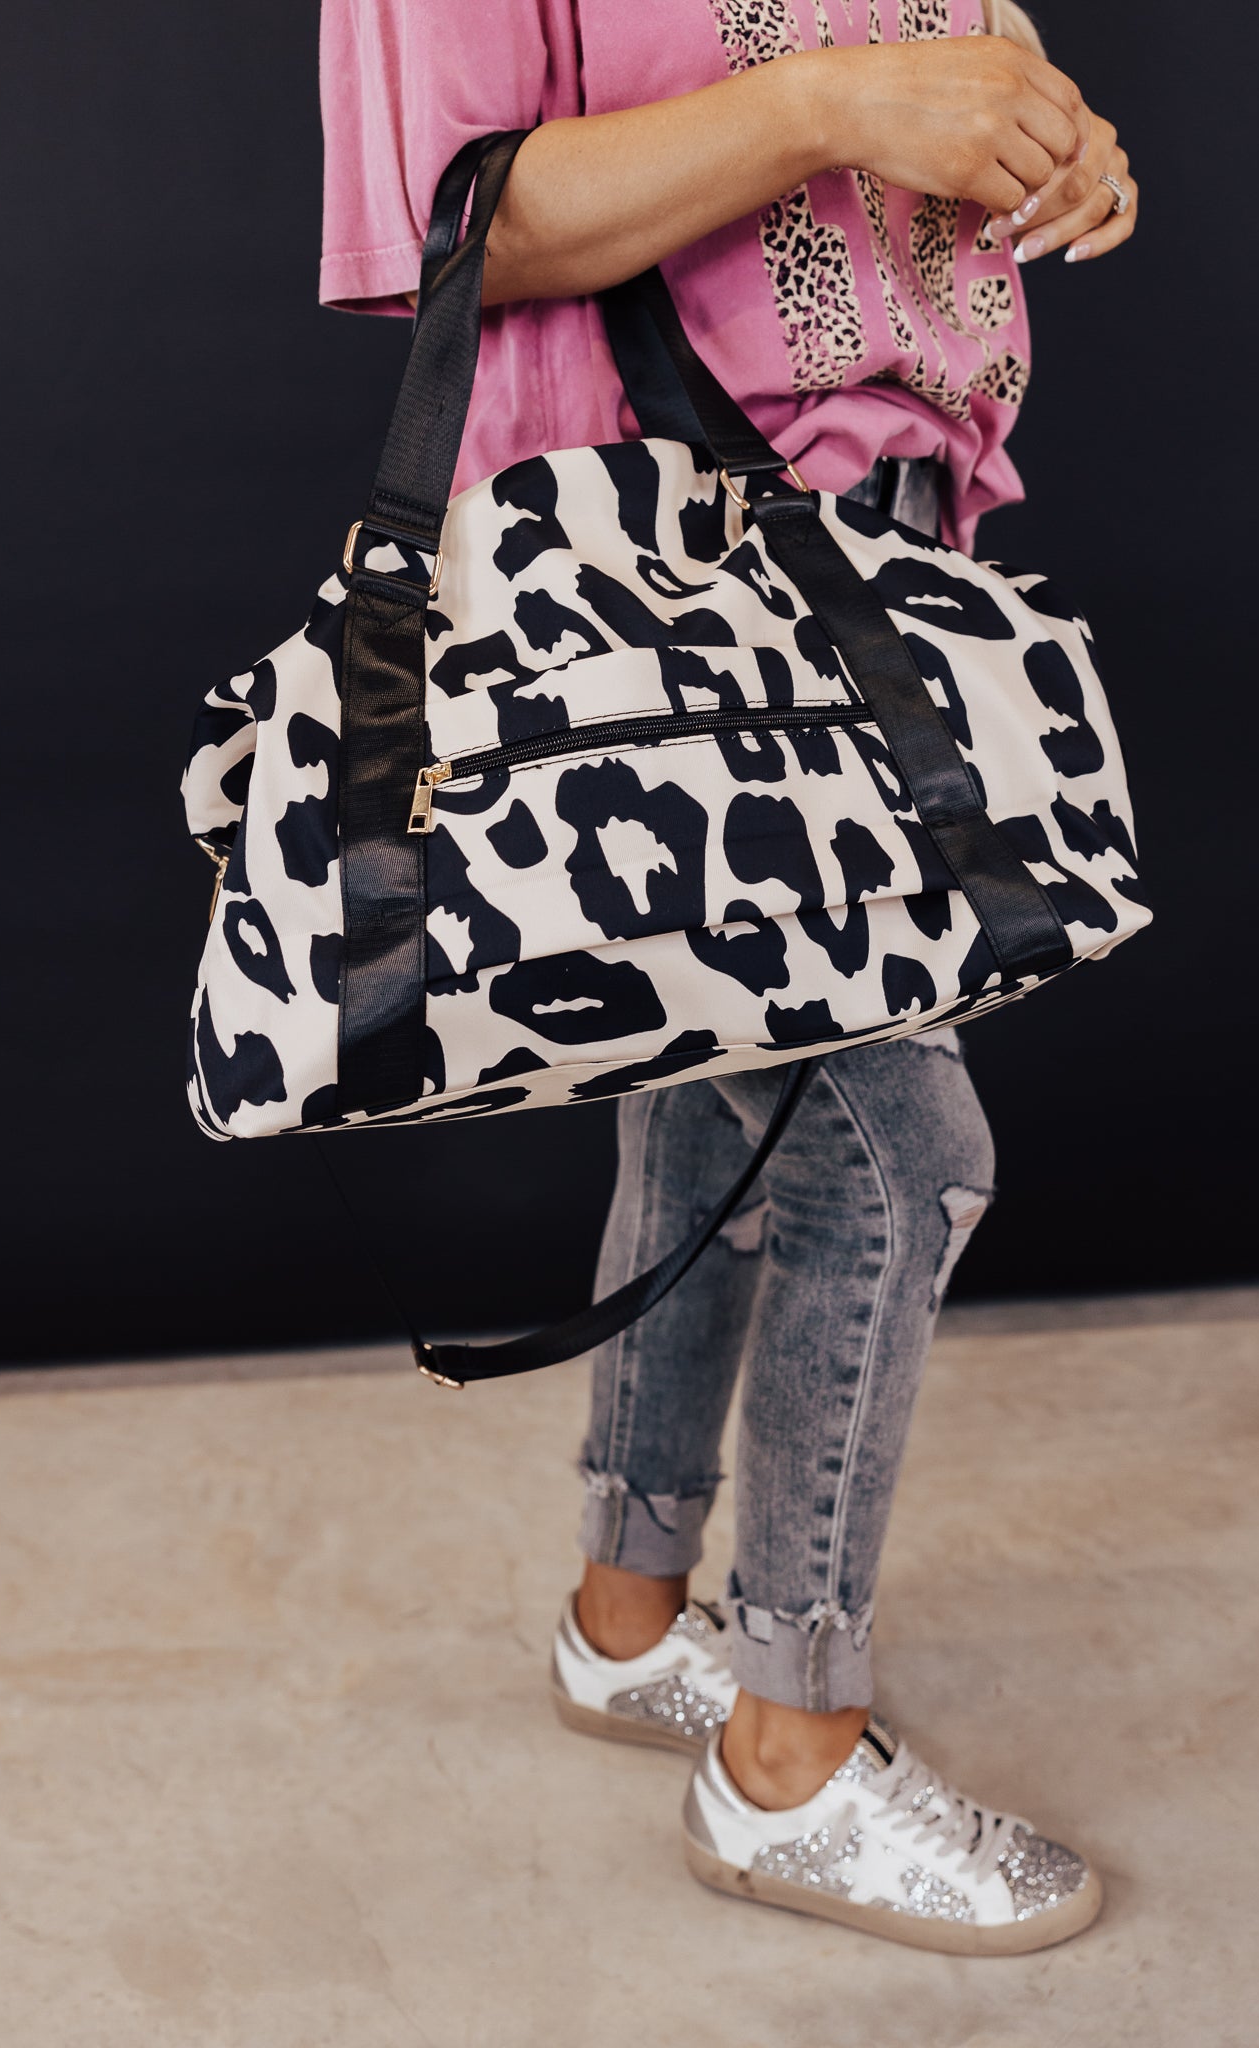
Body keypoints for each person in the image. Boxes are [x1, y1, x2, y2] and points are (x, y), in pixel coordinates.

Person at [321, 0, 1137, 1954]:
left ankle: (627, 1623)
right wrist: (841, 101)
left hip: (872, 546)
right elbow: (453, 214)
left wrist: (1045, 138)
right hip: (659, 574)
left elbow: (935, 92)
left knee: (714, 1117)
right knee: (898, 1154)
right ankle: (790, 1760)